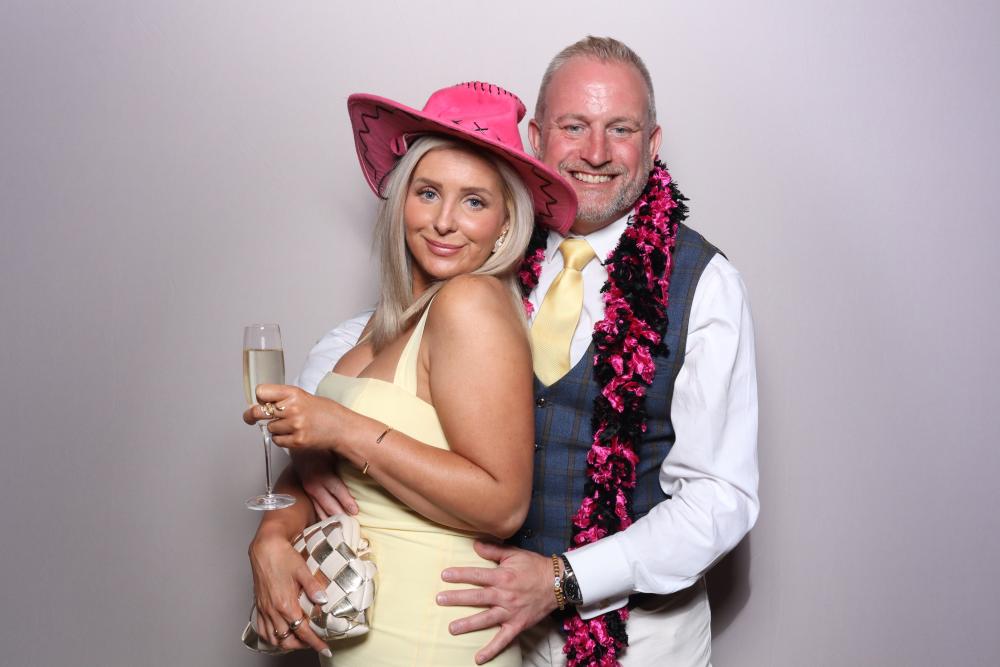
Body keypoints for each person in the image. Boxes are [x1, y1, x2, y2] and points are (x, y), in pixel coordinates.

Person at [296, 36, 759, 666]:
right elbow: (373, 339)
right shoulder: (492, 234)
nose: (595, 152)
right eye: (574, 126)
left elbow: (719, 499)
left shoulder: (703, 283)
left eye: (620, 129)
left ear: (652, 144)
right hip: (485, 623)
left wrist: (564, 579)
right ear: (537, 138)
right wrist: (300, 479)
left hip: (636, 639)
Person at [243, 81, 577, 666]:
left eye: (474, 202)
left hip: (430, 639)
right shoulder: (383, 324)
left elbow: (502, 505)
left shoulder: (470, 303)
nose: (445, 221)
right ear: (402, 202)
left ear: (505, 225)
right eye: (428, 193)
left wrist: (340, 427)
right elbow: (331, 475)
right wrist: (271, 535)